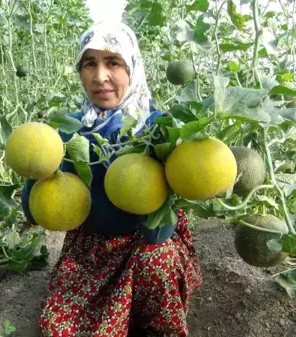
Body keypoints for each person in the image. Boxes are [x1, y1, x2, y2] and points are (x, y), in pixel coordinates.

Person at [21, 20, 201, 337]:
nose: (100, 76)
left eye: (113, 62)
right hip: (91, 244)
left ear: (131, 66)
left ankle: (151, 320)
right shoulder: (66, 128)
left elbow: (158, 232)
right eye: (89, 63)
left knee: (156, 259)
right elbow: (34, 204)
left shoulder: (158, 128)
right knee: (58, 328)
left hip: (142, 241)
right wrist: (32, 166)